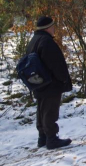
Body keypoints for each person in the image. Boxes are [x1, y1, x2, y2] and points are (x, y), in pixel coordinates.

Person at [26, 16, 72, 150]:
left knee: (42, 109)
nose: (54, 28)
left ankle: (43, 137)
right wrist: (63, 78)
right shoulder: (46, 42)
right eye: (52, 26)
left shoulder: (34, 40)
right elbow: (55, 64)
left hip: (38, 82)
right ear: (47, 28)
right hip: (50, 83)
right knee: (50, 111)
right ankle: (51, 139)